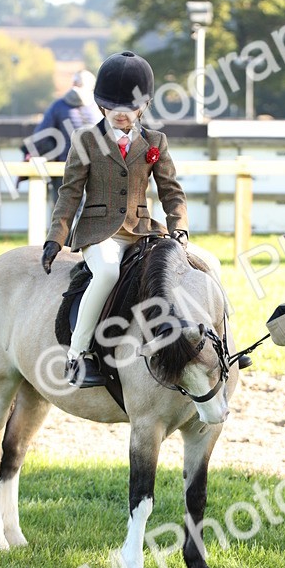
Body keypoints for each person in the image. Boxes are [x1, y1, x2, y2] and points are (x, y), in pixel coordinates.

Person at [40, 51, 189, 388]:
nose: (121, 114)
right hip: (100, 233)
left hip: (144, 231)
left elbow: (171, 191)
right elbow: (70, 193)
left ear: (144, 106)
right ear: (101, 105)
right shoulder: (86, 140)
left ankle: (210, 345)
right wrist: (55, 238)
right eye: (113, 106)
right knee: (107, 273)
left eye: (129, 107)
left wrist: (179, 227)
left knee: (194, 267)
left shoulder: (155, 142)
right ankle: (77, 355)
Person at [23, 69, 99, 202]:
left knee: (64, 212)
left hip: (64, 171)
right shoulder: (99, 108)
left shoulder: (58, 106)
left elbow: (40, 138)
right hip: (95, 172)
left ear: (74, 84)